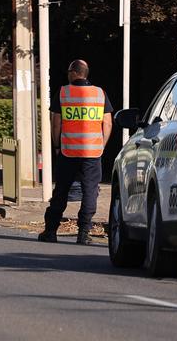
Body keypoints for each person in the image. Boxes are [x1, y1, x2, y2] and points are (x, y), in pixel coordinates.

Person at [39, 59, 114, 245]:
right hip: (93, 152)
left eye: (68, 71)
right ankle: (83, 234)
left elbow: (56, 122)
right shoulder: (99, 93)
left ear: (74, 73)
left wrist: (57, 145)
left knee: (61, 191)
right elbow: (108, 123)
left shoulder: (64, 92)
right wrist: (101, 145)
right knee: (90, 191)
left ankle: (50, 231)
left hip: (68, 151)